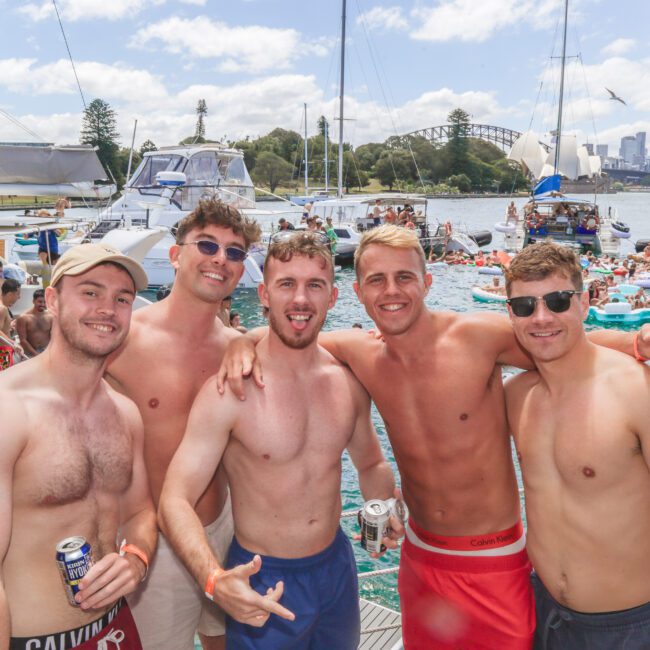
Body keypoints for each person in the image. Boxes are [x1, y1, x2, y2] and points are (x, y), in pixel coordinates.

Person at [218, 225, 650, 649]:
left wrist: (635, 340)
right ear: (358, 293)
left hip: (494, 559)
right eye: (376, 280)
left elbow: (565, 341)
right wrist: (246, 340)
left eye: (404, 277)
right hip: (421, 557)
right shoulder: (359, 352)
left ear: (426, 282)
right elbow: (294, 331)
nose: (392, 291)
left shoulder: (477, 338)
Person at [159, 231, 400, 649]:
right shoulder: (231, 390)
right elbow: (175, 499)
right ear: (265, 294)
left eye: (314, 285)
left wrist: (385, 505)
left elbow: (370, 464)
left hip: (337, 568)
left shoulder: (347, 384)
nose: (301, 299)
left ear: (334, 296)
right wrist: (213, 579)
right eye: (287, 284)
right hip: (263, 574)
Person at [106, 199, 261, 650]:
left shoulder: (241, 346)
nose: (221, 259)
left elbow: (306, 344)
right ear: (176, 256)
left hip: (225, 530)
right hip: (155, 542)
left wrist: (251, 336)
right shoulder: (125, 339)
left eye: (235, 253)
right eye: (208, 245)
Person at [0, 243, 157, 648]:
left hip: (117, 629)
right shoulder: (9, 411)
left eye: (121, 298)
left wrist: (135, 560)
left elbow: (140, 511)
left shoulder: (125, 413)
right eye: (90, 292)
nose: (108, 309)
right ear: (52, 299)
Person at [503, 242, 650, 649]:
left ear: (585, 303)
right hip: (544, 615)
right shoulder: (515, 397)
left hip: (631, 627)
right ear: (510, 315)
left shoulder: (636, 391)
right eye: (525, 307)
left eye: (558, 300)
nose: (542, 317)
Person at [15, 288, 52, 357]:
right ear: (33, 301)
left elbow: (54, 336)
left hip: (47, 351)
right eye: (40, 302)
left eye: (45, 302)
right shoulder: (23, 318)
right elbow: (23, 340)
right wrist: (36, 355)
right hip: (29, 352)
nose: (43, 304)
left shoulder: (51, 316)